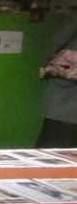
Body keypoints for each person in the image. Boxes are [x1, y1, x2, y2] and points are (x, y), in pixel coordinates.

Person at [37, 15, 77, 147]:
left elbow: (58, 40)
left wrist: (45, 65)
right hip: (68, 88)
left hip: (67, 87)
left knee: (54, 140)